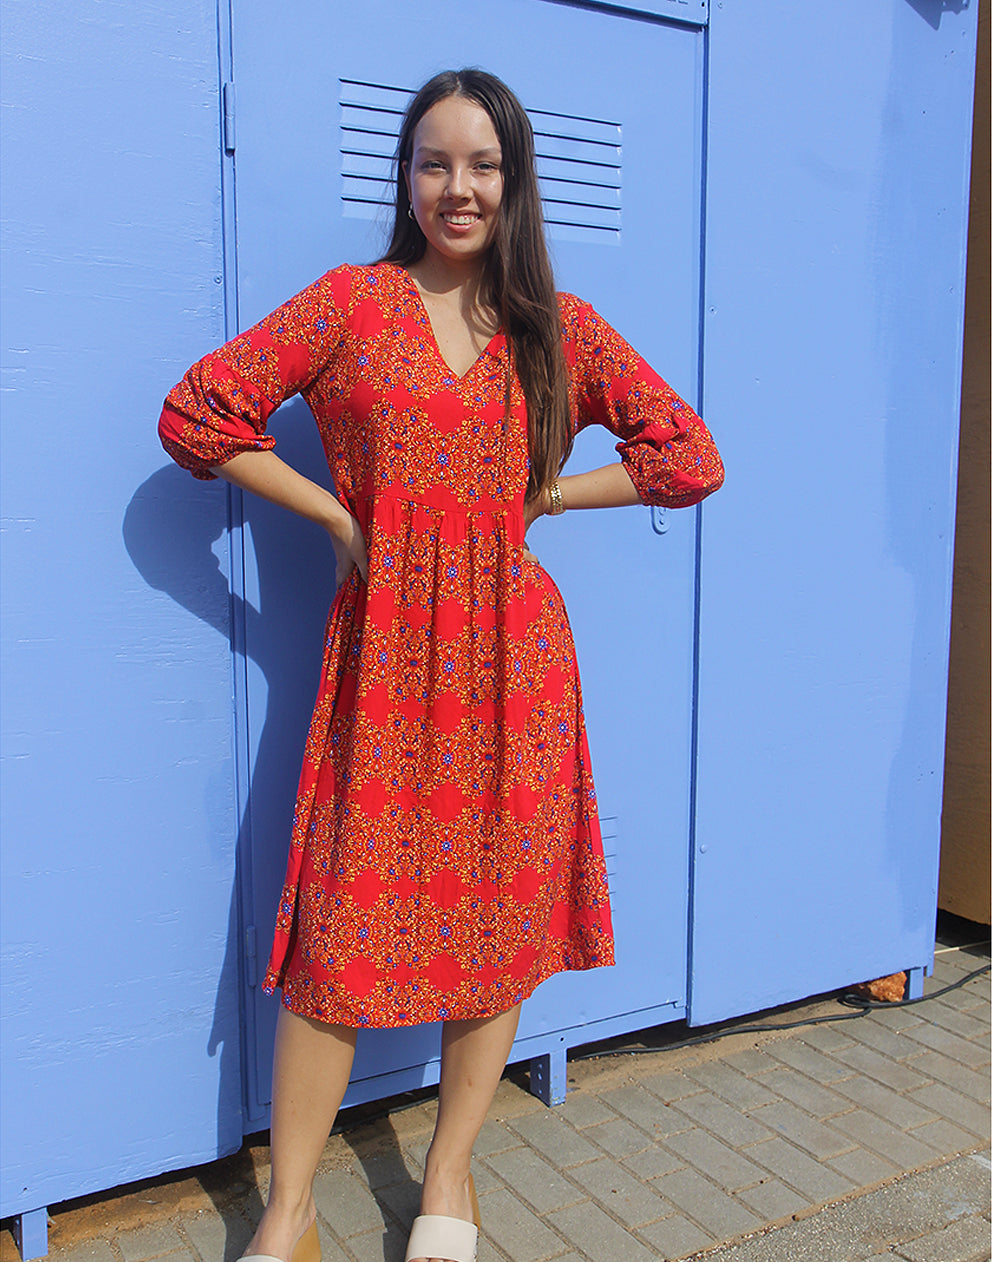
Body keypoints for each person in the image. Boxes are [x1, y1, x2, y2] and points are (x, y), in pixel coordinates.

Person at [159, 67, 723, 1262]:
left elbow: (688, 455)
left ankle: (451, 1168)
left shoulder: (554, 328)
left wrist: (553, 493)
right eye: (433, 161)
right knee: (338, 938)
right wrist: (330, 514)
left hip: (516, 660)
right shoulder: (348, 307)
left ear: (512, 181)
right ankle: (292, 1206)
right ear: (406, 178)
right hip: (383, 660)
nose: (456, 186)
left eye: (481, 163)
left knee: (503, 914)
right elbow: (198, 414)